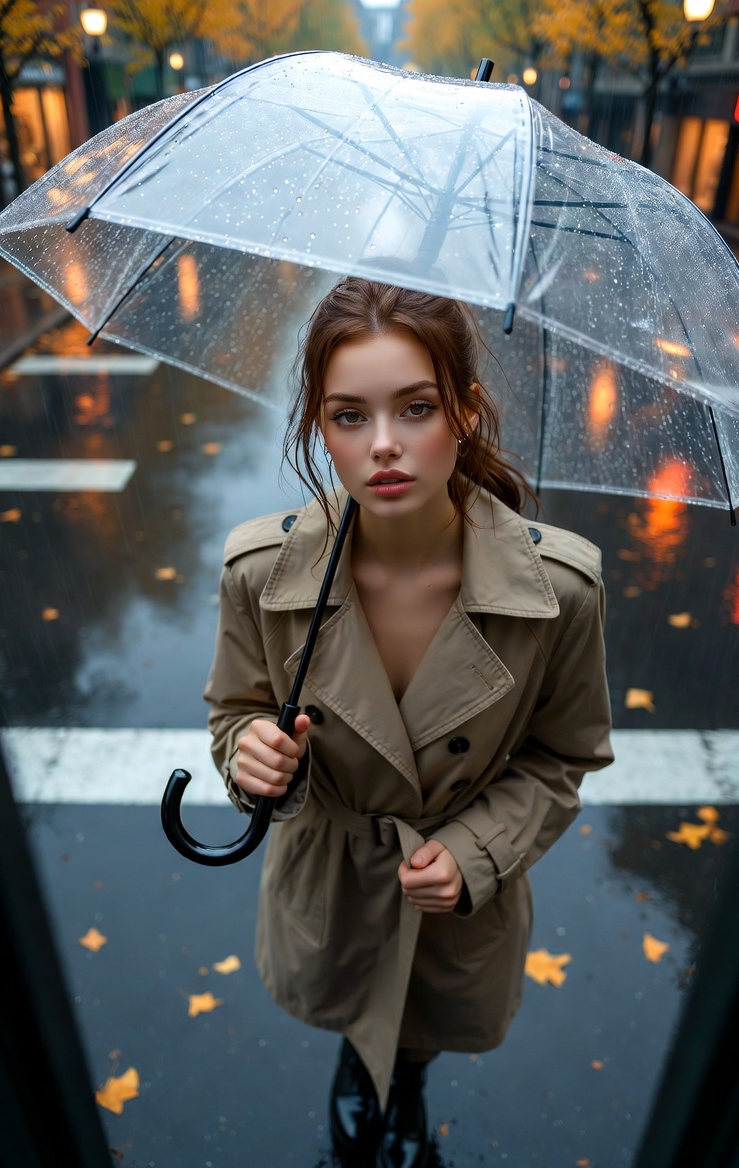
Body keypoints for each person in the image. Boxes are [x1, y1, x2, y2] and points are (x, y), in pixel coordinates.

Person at [204, 277, 614, 1168]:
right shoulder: (261, 574)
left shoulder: (560, 592)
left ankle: (410, 1073)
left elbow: (563, 757)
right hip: (333, 875)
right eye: (350, 415)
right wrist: (253, 754)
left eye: (416, 407)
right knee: (353, 1001)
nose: (383, 445)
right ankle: (363, 1063)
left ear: (465, 410)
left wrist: (475, 852)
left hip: (460, 896)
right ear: (318, 424)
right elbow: (234, 708)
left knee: (423, 1013)